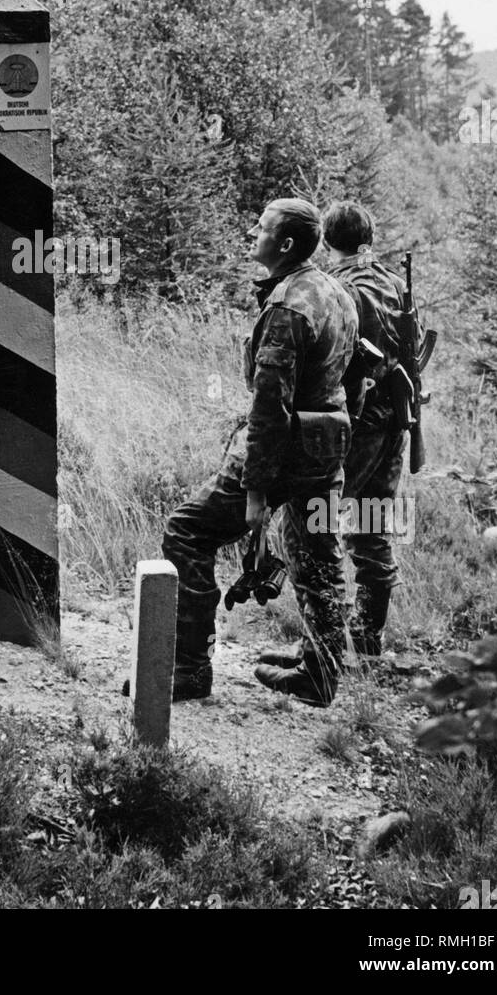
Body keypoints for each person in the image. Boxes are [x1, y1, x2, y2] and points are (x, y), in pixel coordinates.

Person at [160, 198, 359, 708]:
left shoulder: (287, 306)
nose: (254, 232)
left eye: (263, 227)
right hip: (326, 447)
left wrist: (254, 490)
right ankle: (320, 675)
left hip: (286, 452)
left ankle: (188, 670)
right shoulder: (336, 291)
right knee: (318, 556)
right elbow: (347, 382)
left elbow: (270, 408)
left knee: (187, 532)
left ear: (285, 244)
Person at [315, 201, 411, 656]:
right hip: (396, 420)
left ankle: (323, 644)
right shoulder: (395, 283)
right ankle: (367, 636)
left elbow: (333, 361)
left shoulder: (339, 288)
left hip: (360, 420)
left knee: (317, 519)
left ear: (327, 242)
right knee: (373, 523)